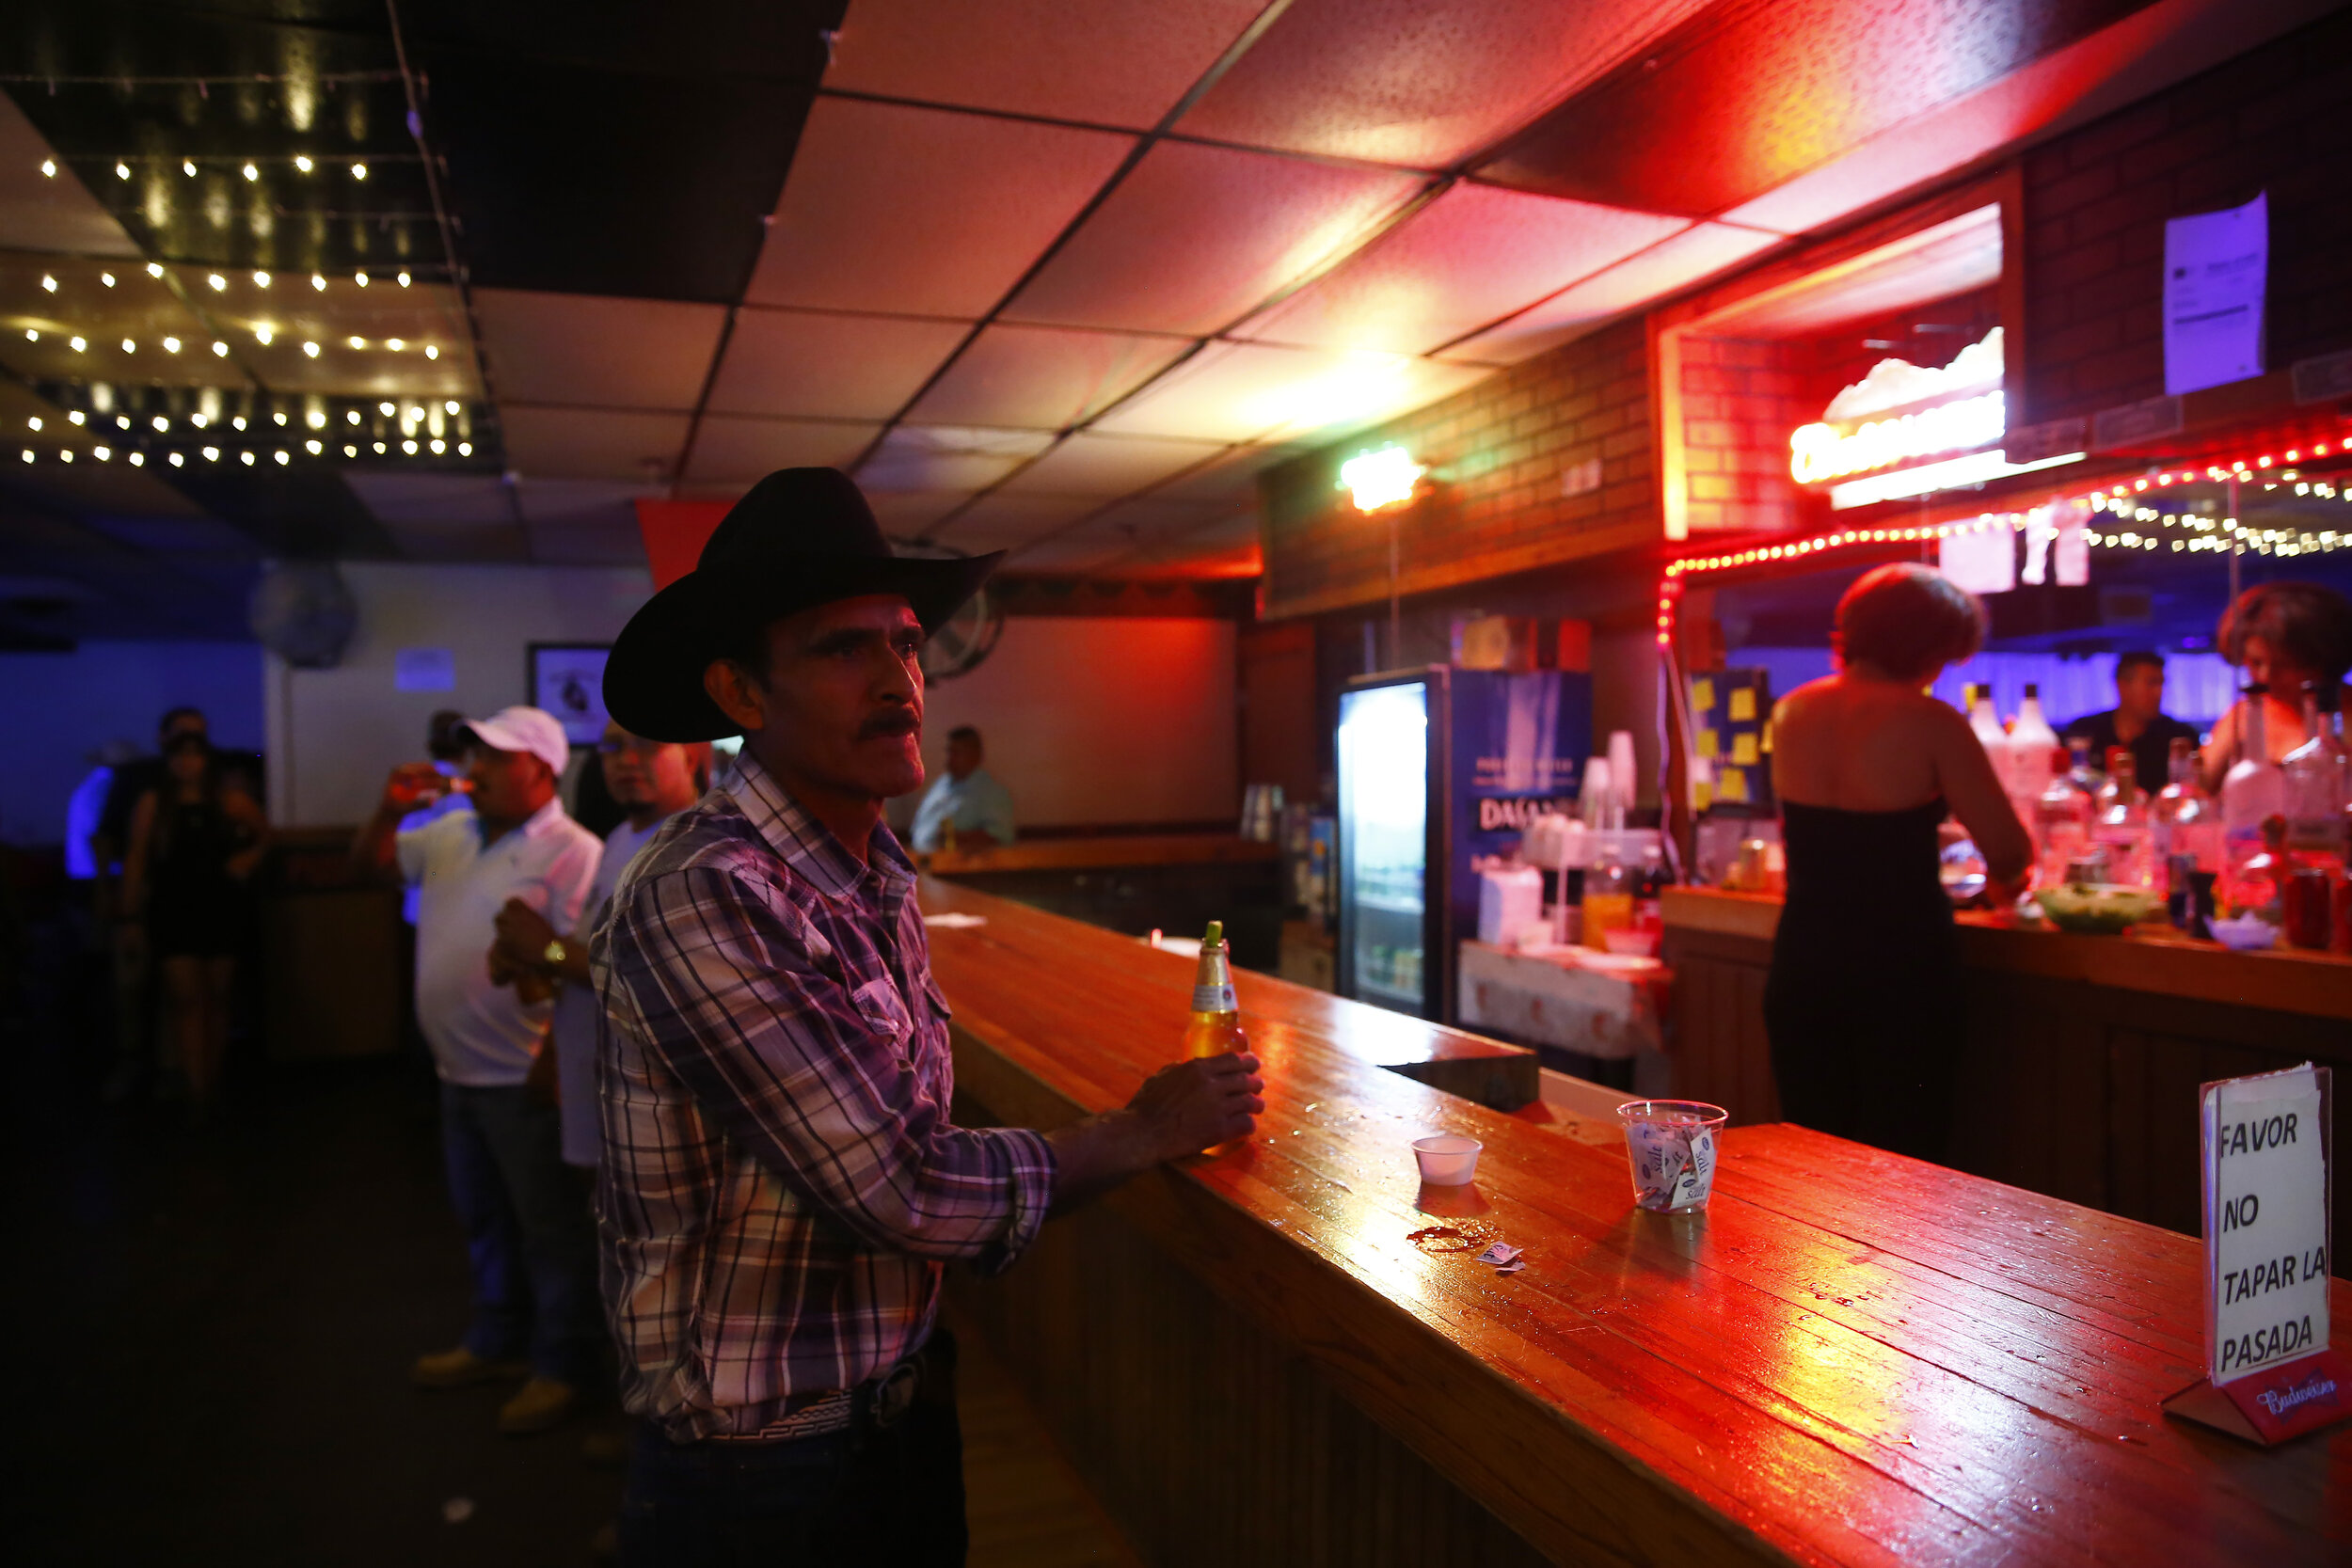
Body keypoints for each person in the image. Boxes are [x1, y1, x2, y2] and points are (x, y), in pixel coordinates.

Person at [595, 467, 1263, 1565]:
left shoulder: (871, 873)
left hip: (890, 1418)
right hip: (758, 1473)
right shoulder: (707, 887)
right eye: (841, 648)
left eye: (905, 644)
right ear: (740, 693)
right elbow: (902, 1186)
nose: (899, 678)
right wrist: (1138, 1128)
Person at [352, 705, 604, 1435]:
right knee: (484, 1219)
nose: (479, 767)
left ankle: (563, 1366)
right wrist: (386, 809)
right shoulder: (449, 830)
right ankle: (498, 1341)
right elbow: (364, 869)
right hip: (455, 1069)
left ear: (543, 770)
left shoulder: (575, 847)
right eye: (477, 754)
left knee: (549, 1230)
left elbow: (579, 962)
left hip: (523, 1074)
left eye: (498, 756)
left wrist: (554, 1056)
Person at [1764, 564, 2032, 1165]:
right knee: (1903, 1165)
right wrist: (2003, 885)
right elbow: (2011, 852)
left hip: (1804, 965)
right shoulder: (1933, 722)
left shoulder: (1791, 712)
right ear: (1927, 645)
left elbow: (1836, 832)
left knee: (1814, 1159)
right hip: (1903, 973)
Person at [486, 721, 708, 1171]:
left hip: (652, 1103)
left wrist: (547, 950)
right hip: (598, 1083)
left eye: (647, 743)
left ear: (691, 758)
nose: (625, 759)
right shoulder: (622, 838)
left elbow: (653, 982)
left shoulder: (694, 849)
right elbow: (597, 952)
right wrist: (533, 957)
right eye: (612, 747)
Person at [120, 733, 269, 1118]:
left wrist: (249, 858)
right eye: (179, 756)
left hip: (220, 905)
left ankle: (211, 1084)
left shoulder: (229, 801)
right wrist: (130, 915)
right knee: (185, 998)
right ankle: (196, 1090)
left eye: (194, 756)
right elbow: (136, 858)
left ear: (207, 760)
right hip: (173, 908)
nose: (187, 764)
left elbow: (266, 836)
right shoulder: (154, 804)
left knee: (218, 997)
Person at [93, 706, 208, 1102]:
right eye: (180, 735)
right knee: (130, 982)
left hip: (183, 899)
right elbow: (111, 838)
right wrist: (111, 892)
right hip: (141, 894)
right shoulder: (137, 779)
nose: (187, 746)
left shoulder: (205, 779)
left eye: (196, 736)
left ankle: (170, 1068)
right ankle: (131, 1063)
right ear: (162, 737)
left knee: (176, 988)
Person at [2198, 580, 2352, 791]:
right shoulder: (2245, 714)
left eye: (2284, 665)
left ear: (2321, 660)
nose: (2265, 676)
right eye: (2255, 662)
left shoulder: (2346, 710)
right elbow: (2198, 789)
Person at [2061, 652, 2202, 793]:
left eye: (2161, 684)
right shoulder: (2085, 730)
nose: (2159, 693)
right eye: (2151, 683)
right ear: (2123, 686)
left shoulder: (2179, 736)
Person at [399, 709, 476, 927]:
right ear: (466, 748)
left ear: (430, 746)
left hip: (417, 901)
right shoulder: (465, 794)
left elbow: (402, 844)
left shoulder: (413, 787)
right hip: (451, 907)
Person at [908, 723, 1015, 851]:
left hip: (963, 867)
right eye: (948, 751)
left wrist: (954, 838)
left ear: (976, 754)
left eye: (956, 752)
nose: (949, 758)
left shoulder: (992, 793)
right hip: (925, 863)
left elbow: (1001, 836)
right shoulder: (940, 785)